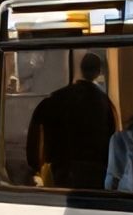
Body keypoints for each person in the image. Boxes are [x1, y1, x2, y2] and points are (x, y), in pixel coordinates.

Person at [26, 52, 119, 189]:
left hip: (63, 169)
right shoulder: (105, 103)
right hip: (97, 172)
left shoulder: (55, 99)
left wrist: (36, 167)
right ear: (98, 72)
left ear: (81, 68)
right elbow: (112, 138)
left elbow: (35, 135)